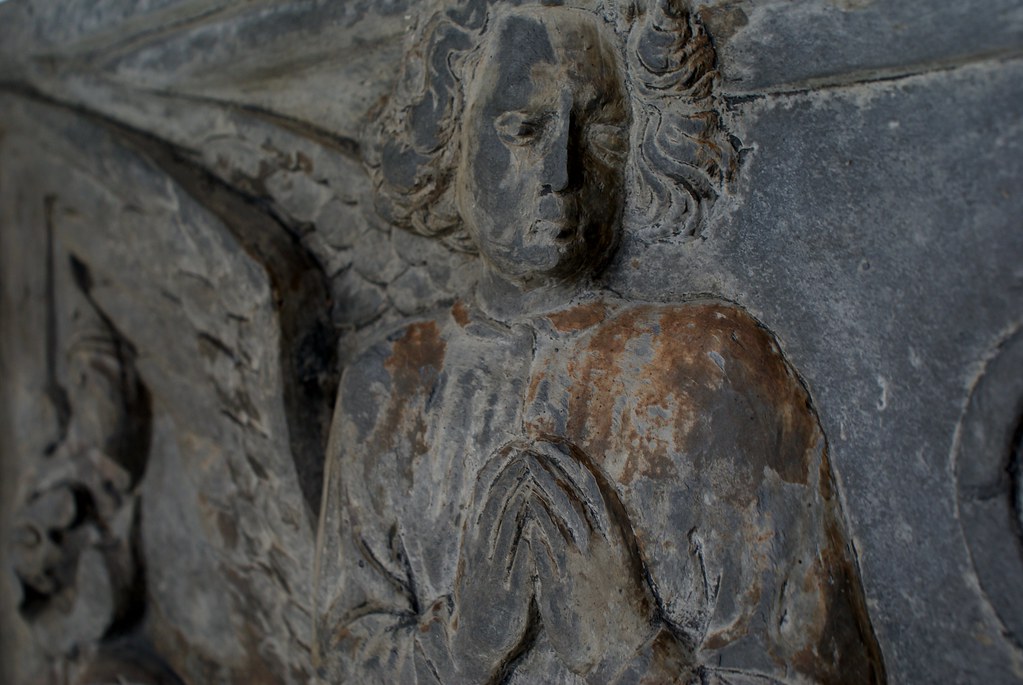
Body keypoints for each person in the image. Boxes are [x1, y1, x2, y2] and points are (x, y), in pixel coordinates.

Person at [315, 2, 885, 682]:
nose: (560, 170)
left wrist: (629, 648)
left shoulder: (715, 367)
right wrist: (460, 645)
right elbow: (342, 654)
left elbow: (824, 668)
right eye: (521, 129)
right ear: (449, 139)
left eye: (601, 130)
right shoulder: (389, 383)